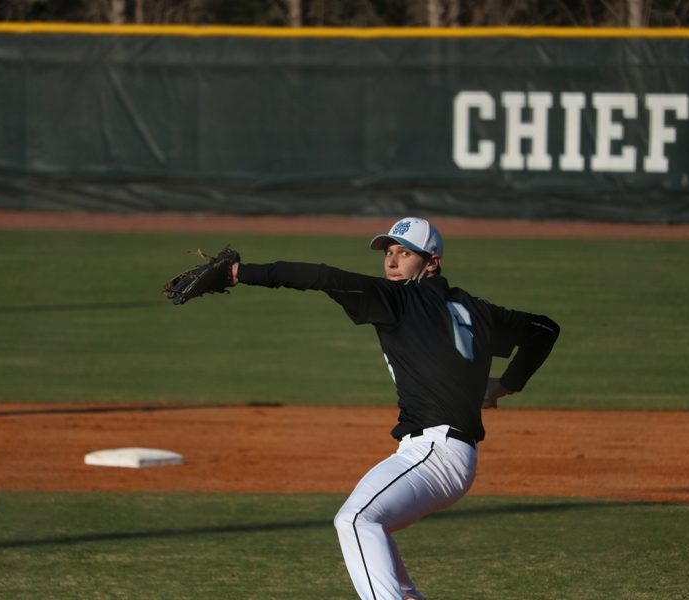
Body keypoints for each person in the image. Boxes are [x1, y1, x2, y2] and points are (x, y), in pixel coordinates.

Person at [229, 217, 559, 599]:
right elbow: (544, 329)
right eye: (388, 253)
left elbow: (321, 277)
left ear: (431, 262)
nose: (391, 262)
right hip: (441, 452)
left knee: (355, 520)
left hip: (436, 453)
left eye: (404, 253)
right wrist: (504, 386)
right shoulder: (476, 308)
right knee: (368, 525)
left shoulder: (399, 300)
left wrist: (240, 273)